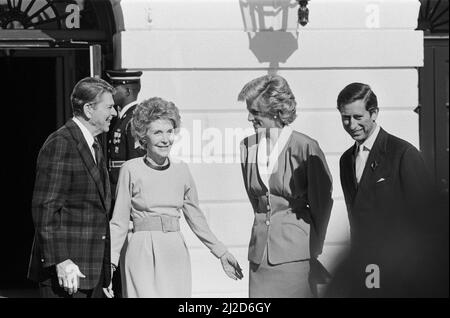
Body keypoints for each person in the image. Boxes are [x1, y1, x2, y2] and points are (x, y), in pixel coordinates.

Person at [109, 97, 243, 297]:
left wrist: (222, 253)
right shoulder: (131, 169)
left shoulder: (182, 170)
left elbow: (196, 218)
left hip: (175, 252)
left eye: (169, 131)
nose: (165, 139)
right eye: (157, 132)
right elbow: (119, 222)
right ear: (143, 136)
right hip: (141, 252)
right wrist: (110, 264)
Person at [326, 82, 439, 297]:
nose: (351, 125)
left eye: (358, 117)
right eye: (345, 118)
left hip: (400, 269)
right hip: (365, 265)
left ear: (374, 113)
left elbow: (426, 221)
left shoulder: (403, 153)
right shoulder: (345, 161)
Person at [238, 74, 333, 298]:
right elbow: (256, 202)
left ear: (275, 111)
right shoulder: (247, 147)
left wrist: (312, 247)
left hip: (294, 254)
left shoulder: (305, 147)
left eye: (255, 112)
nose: (250, 118)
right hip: (259, 256)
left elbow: (322, 203)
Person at [28, 77, 117, 298]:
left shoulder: (93, 145)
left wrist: (105, 272)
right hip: (66, 273)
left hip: (90, 272)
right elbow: (45, 208)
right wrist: (61, 260)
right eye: (109, 107)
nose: (114, 113)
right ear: (89, 109)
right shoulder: (61, 143)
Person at [105, 69, 146, 298]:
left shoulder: (135, 119)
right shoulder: (121, 118)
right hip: (117, 201)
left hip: (127, 206)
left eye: (116, 88)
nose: (112, 92)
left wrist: (130, 208)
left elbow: (135, 166)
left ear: (128, 90)